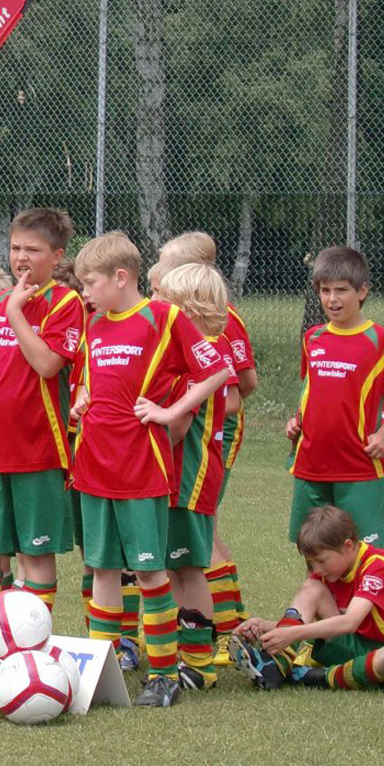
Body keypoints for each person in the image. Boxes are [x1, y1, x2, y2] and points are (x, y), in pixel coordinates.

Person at [69, 230, 231, 708]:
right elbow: (93, 383)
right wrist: (83, 404)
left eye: (90, 282)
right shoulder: (95, 327)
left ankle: (163, 674)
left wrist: (169, 411)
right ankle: (102, 667)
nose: (85, 293)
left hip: (141, 471)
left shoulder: (163, 317)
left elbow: (217, 369)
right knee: (102, 570)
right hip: (94, 468)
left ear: (122, 277)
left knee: (151, 573)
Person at [0, 208, 84, 624]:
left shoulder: (66, 304)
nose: (21, 257)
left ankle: (31, 643)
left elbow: (47, 365)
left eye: (33, 249)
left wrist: (17, 315)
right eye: (15, 248)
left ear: (57, 256)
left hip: (39, 452)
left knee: (35, 553)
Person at [154, 230, 257, 645]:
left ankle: (211, 638)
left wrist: (186, 410)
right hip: (189, 455)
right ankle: (215, 626)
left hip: (195, 460)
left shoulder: (213, 335)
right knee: (189, 549)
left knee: (195, 546)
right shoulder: (184, 340)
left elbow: (236, 389)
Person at [286, 246, 384, 547]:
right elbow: (313, 390)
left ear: (362, 291)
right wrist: (296, 422)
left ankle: (364, 597)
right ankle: (320, 597)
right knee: (313, 550)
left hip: (359, 466)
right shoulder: (313, 338)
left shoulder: (382, 341)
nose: (332, 299)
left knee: (365, 554)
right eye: (325, 290)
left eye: (342, 290)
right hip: (311, 464)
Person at [150, 261, 240, 690]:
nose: (154, 306)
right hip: (190, 474)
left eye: (163, 300)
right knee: (178, 566)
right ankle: (189, 652)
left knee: (186, 569)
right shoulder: (208, 347)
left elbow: (179, 425)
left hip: (187, 476)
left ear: (187, 308)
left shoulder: (193, 353)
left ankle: (200, 663)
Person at [231, 505, 384, 690]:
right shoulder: (329, 572)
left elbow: (350, 622)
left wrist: (292, 633)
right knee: (311, 588)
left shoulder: (378, 566)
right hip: (356, 645)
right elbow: (312, 623)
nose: (316, 569)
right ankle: (274, 664)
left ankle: (321, 677)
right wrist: (265, 626)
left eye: (321, 560)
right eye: (311, 563)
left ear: (347, 546)